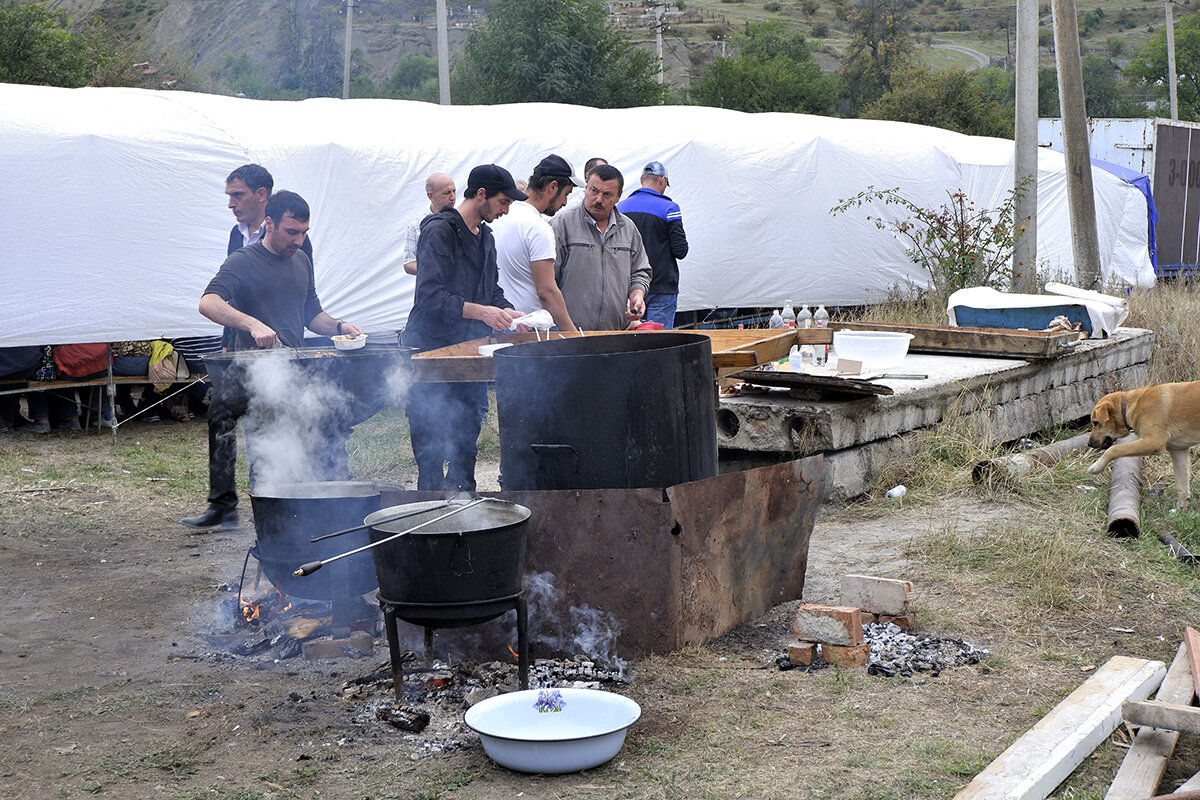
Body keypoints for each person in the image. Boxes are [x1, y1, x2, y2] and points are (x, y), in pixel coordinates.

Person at [181, 191, 362, 530]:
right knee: (220, 416)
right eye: (292, 231)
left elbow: (312, 314)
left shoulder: (302, 259)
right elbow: (208, 302)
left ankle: (278, 514)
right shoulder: (243, 260)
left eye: (305, 232)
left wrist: (339, 326)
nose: (300, 239)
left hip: (291, 367)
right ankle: (224, 506)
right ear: (269, 223)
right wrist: (250, 323)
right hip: (249, 367)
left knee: (273, 439)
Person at [402, 164, 524, 492]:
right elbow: (430, 296)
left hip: (469, 355)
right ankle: (427, 515)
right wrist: (481, 312)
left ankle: (466, 512)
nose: (505, 210)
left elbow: (491, 291)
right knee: (430, 450)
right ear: (481, 194)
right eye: (503, 202)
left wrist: (510, 313)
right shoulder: (439, 230)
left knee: (466, 444)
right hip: (430, 352)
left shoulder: (486, 237)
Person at [550, 164, 651, 331]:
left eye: (607, 195)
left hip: (615, 333)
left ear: (619, 196)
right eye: (594, 191)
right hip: (569, 335)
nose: (598, 199)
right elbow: (547, 282)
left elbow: (640, 270)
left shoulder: (628, 228)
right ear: (586, 188)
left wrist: (637, 295)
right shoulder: (562, 224)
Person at [492, 154, 581, 331]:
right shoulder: (538, 227)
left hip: (500, 322)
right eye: (566, 194)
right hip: (530, 327)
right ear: (552, 186)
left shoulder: (499, 217)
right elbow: (547, 292)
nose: (564, 202)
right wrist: (573, 336)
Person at [617, 161, 689, 329]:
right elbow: (680, 251)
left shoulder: (620, 208)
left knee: (632, 341)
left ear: (642, 180)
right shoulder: (670, 208)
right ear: (662, 180)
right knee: (659, 342)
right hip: (661, 286)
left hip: (629, 289)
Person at [401, 172, 456, 276]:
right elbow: (408, 263)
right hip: (432, 289)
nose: (453, 197)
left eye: (454, 191)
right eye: (447, 193)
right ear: (431, 196)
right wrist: (435, 270)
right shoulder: (416, 226)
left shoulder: (462, 221)